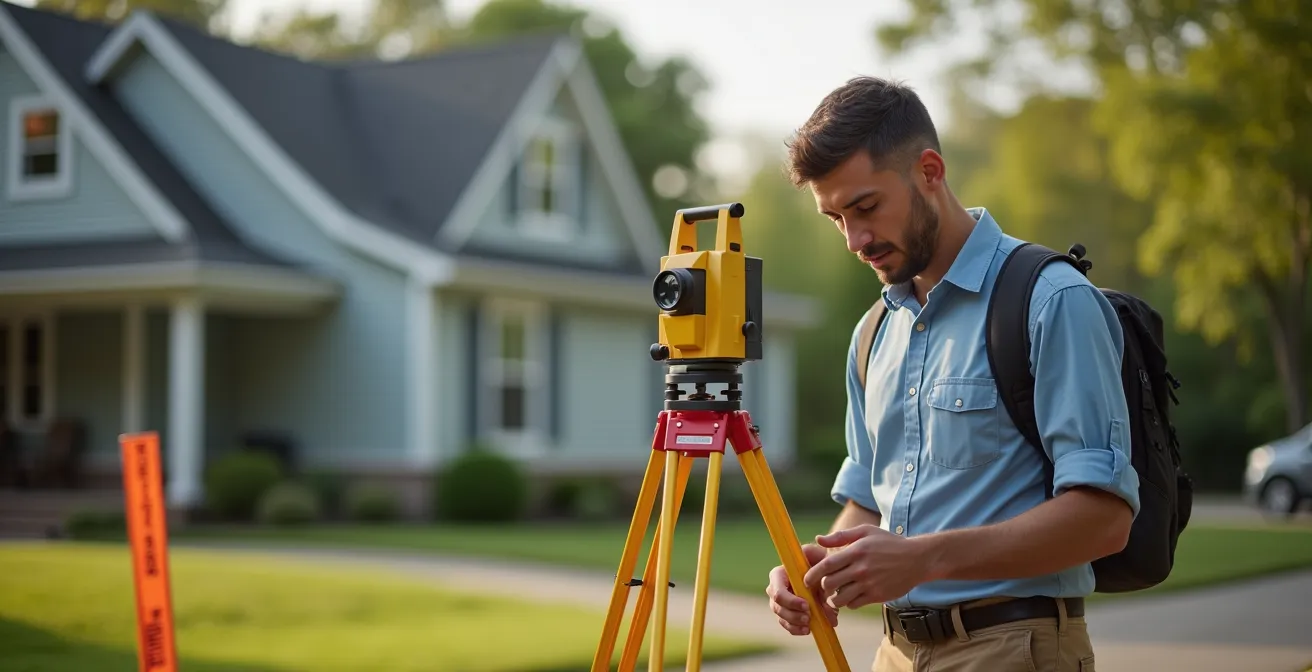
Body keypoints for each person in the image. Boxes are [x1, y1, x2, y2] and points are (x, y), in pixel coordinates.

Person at [764, 76, 1141, 671]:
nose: (854, 239)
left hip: (1015, 649)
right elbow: (868, 503)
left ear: (930, 171)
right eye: (835, 218)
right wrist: (818, 565)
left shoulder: (1051, 300)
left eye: (865, 207)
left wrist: (923, 558)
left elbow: (1104, 519)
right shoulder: (871, 335)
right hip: (893, 653)